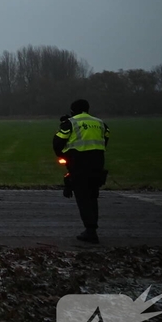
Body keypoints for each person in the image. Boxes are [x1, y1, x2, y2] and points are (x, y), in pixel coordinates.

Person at [53, 99, 110, 243]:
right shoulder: (100, 122)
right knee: (92, 196)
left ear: (73, 110)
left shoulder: (70, 123)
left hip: (79, 164)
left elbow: (58, 141)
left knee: (82, 197)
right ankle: (92, 228)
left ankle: (90, 231)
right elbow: (106, 136)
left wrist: (64, 155)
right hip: (97, 162)